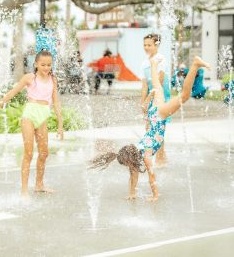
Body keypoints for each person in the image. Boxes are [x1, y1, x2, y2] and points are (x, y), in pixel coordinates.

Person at [90, 56, 210, 202]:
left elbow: (152, 176)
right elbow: (133, 176)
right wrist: (132, 193)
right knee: (157, 86)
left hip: (159, 116)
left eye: (128, 165)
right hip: (153, 113)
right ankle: (153, 64)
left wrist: (155, 196)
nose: (130, 168)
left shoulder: (146, 155)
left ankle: (195, 64)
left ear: (131, 159)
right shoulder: (134, 150)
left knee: (184, 96)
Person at [0, 50, 63, 198]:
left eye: (49, 65)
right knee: (28, 153)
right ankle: (24, 190)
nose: (46, 67)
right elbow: (10, 94)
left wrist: (60, 124)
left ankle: (39, 185)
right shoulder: (30, 78)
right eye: (43, 64)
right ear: (36, 64)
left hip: (43, 114)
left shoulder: (53, 79)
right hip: (29, 114)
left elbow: (56, 102)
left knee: (44, 153)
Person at [141, 34, 170, 167]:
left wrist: (149, 98)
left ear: (156, 45)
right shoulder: (144, 61)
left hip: (160, 98)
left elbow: (160, 80)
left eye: (149, 45)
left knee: (159, 127)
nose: (146, 47)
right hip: (150, 97)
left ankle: (161, 158)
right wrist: (143, 102)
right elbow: (145, 85)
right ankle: (149, 157)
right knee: (148, 128)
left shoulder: (160, 59)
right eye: (145, 45)